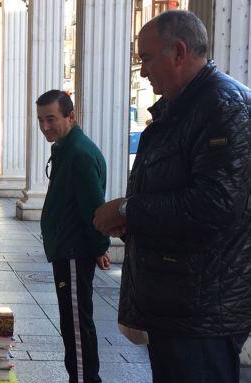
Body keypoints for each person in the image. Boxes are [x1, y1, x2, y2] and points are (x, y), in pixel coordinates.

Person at [93, 11, 251, 383]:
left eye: (146, 57)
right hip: (179, 302)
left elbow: (214, 205)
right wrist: (134, 222)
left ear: (179, 52)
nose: (143, 70)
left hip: (202, 311)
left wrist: (129, 209)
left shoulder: (224, 108)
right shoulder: (186, 107)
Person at [36, 90, 111, 383]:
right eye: (41, 120)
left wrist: (99, 246)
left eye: (51, 119)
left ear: (71, 117)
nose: (45, 127)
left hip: (73, 251)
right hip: (67, 248)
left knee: (76, 326)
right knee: (74, 323)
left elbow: (94, 209)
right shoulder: (67, 148)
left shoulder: (78, 153)